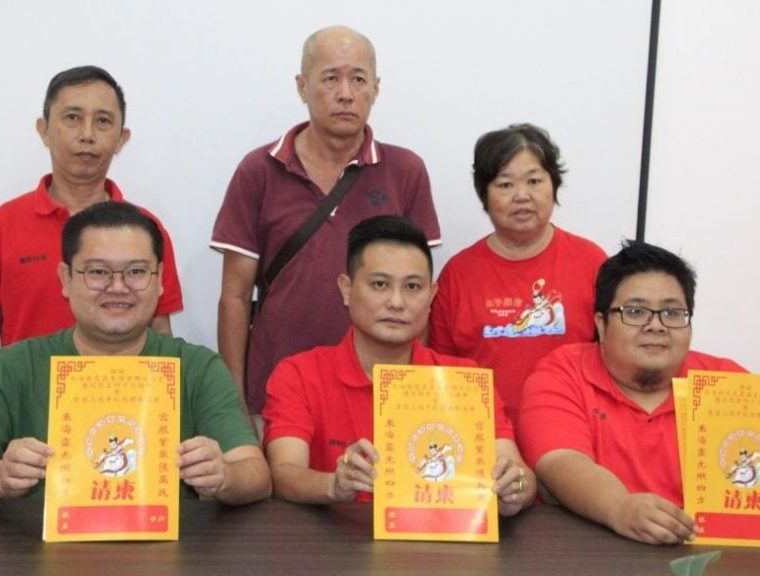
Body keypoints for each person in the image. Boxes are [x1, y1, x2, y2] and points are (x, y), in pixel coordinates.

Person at [0, 202, 269, 506]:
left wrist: (224, 476)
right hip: (35, 550)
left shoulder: (198, 369)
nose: (117, 287)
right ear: (65, 279)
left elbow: (256, 474)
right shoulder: (12, 368)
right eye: (98, 272)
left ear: (160, 279)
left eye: (136, 272)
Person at [519, 240, 760, 547]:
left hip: (702, 553)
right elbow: (560, 462)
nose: (656, 326)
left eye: (672, 313)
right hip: (589, 550)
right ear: (602, 325)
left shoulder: (725, 380)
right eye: (635, 312)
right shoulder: (563, 371)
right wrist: (620, 507)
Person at [211, 26, 441, 419]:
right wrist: (234, 406)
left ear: (376, 88)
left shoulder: (405, 171)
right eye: (331, 78)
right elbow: (234, 297)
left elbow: (418, 296)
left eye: (359, 79)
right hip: (276, 393)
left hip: (378, 397)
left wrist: (408, 393)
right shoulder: (260, 170)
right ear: (302, 87)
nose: (346, 93)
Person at [0, 65, 184, 428]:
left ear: (121, 138)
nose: (87, 135)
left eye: (103, 121)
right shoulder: (0, 226)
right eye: (72, 118)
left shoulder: (144, 230)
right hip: (21, 422)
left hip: (121, 424)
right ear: (44, 129)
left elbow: (160, 335)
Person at [263, 216, 533, 516]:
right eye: (380, 284)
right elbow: (284, 474)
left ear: (431, 296)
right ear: (346, 289)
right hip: (333, 540)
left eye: (412, 287)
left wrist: (515, 488)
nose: (396, 302)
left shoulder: (465, 382)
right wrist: (333, 485)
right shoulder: (298, 375)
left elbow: (519, 472)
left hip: (440, 540)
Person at [429, 123, 605, 426]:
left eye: (534, 181)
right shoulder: (458, 274)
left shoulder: (592, 262)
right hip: (484, 434)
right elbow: (440, 371)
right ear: (484, 194)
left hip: (574, 431)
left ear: (554, 185)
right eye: (505, 184)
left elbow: (615, 360)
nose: (522, 195)